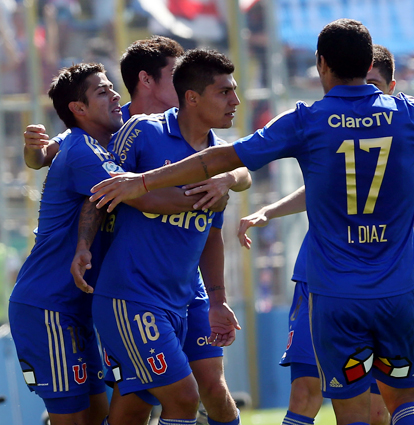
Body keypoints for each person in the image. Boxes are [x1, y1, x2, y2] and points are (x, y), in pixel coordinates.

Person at [88, 19, 414, 425]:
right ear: (368, 65)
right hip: (397, 292)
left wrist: (141, 182)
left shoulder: (306, 120)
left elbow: (223, 159)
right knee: (405, 400)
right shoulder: (409, 113)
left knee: (352, 409)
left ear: (323, 65)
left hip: (334, 297)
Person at [23, 36, 248, 425]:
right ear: (148, 80)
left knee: (166, 397)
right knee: (168, 398)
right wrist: (206, 194)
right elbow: (107, 189)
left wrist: (227, 179)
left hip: (165, 291)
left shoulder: (204, 145)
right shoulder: (117, 132)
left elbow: (240, 166)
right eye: (176, 73)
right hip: (76, 297)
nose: (234, 101)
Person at [228, 44, 414, 425]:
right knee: (304, 392)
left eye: (373, 83)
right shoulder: (329, 126)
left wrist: (383, 213)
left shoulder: (412, 142)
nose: (362, 90)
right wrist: (270, 210)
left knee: (377, 408)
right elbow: (323, 189)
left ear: (391, 87)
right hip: (320, 280)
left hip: (379, 283)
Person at [88, 48, 242, 425]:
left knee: (208, 393)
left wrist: (218, 301)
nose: (235, 101)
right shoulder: (143, 131)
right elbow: (101, 190)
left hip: (186, 297)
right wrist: (80, 246)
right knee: (184, 397)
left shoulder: (221, 157)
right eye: (224, 92)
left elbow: (211, 235)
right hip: (132, 296)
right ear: (192, 97)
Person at [9, 63, 120, 425]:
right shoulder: (84, 151)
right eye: (103, 91)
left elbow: (42, 156)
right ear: (78, 108)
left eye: (112, 88)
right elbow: (141, 195)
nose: (115, 95)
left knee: (97, 415)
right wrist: (206, 184)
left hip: (73, 306)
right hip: (49, 306)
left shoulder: (81, 140)